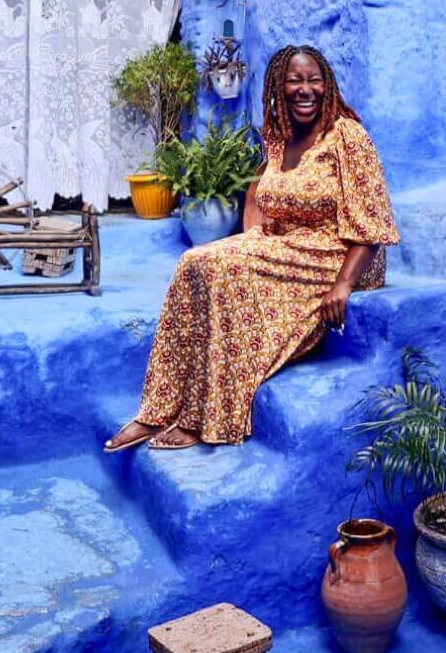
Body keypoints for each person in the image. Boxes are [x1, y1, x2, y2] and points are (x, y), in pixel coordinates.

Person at [105, 45, 399, 450]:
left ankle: (203, 418)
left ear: (327, 84)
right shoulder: (279, 138)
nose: (305, 89)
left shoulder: (347, 135)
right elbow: (259, 195)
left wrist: (343, 285)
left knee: (221, 270)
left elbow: (372, 221)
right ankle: (156, 409)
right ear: (279, 86)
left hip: (334, 254)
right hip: (285, 246)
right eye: (294, 80)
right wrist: (248, 242)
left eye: (314, 79)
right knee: (194, 261)